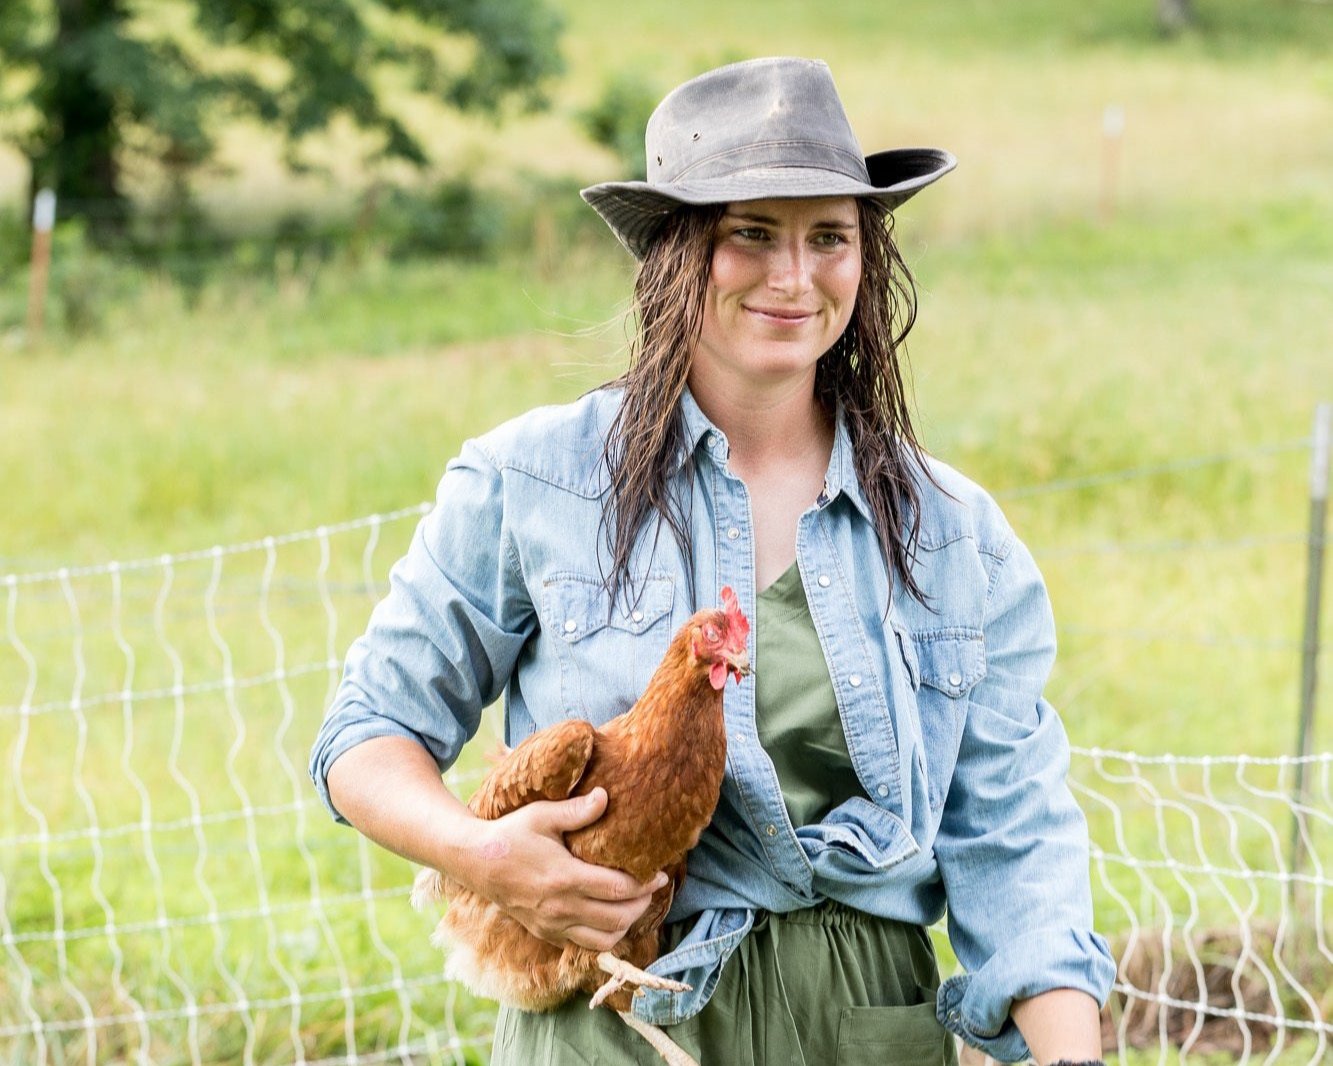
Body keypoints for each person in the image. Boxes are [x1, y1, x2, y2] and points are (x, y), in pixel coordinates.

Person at [310, 56, 1115, 1065]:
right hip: (617, 1020)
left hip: (862, 1028)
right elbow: (366, 733)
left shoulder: (953, 532)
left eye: (829, 236)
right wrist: (488, 859)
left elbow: (1015, 840)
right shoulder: (536, 480)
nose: (794, 275)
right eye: (752, 233)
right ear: (679, 253)